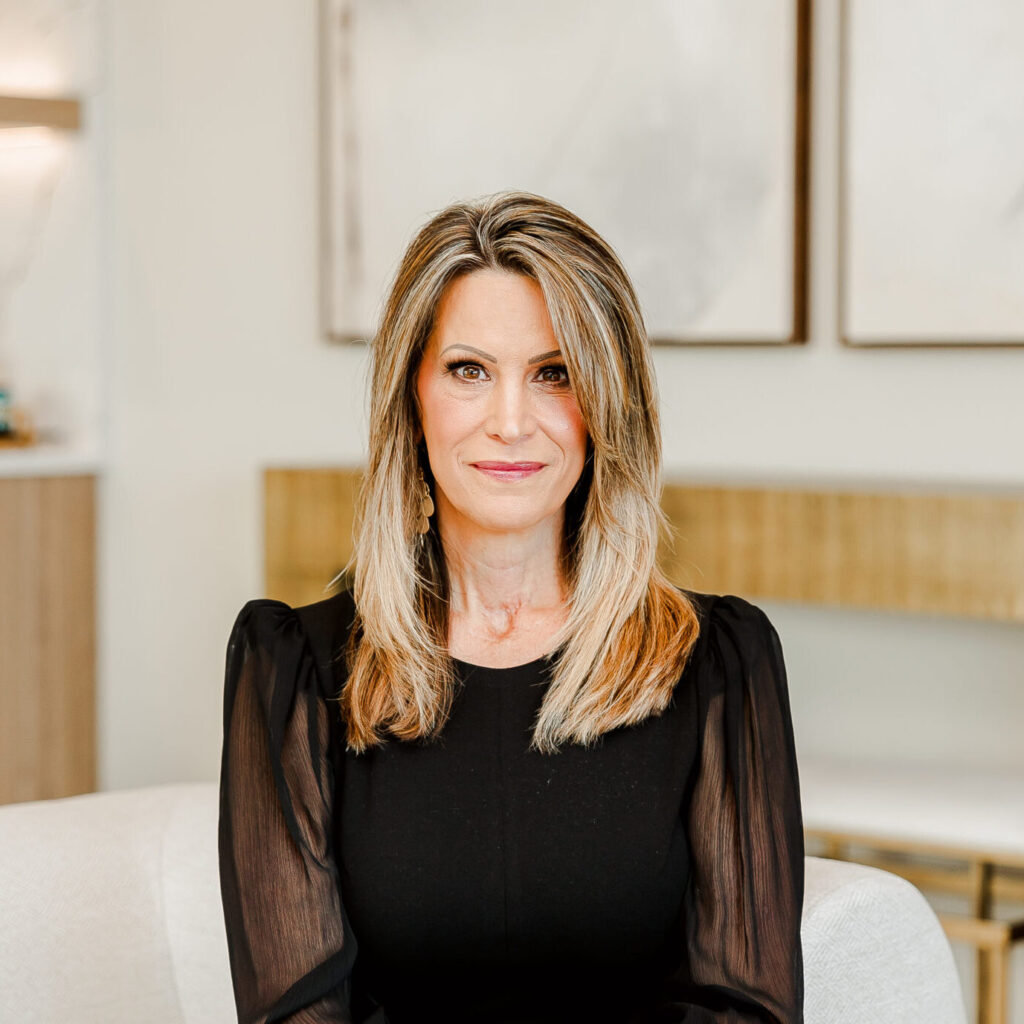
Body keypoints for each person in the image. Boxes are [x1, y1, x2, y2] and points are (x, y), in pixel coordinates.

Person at [218, 190, 804, 1024]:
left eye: (554, 374)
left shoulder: (717, 666)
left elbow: (744, 1006)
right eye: (469, 370)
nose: (511, 421)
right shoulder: (295, 675)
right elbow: (299, 1013)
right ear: (411, 398)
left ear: (608, 405)